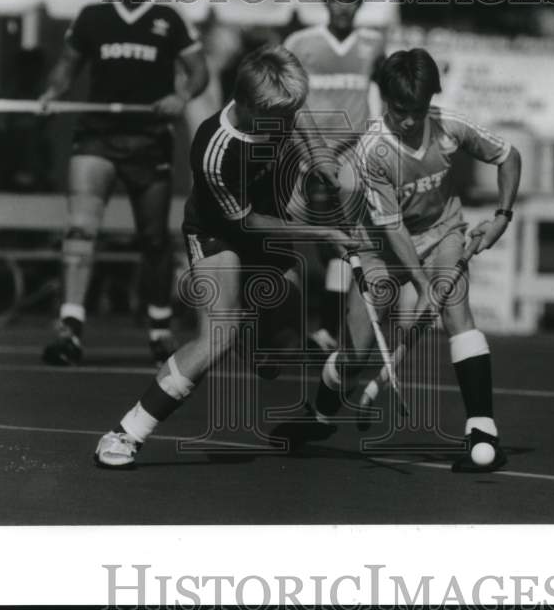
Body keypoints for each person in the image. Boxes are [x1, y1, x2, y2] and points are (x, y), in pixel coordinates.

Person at [93, 45, 358, 467]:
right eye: (279, 118)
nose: (287, 123)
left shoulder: (279, 108)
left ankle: (249, 333)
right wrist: (323, 230)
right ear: (250, 108)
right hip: (221, 233)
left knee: (278, 351)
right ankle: (126, 432)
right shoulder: (215, 150)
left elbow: (301, 116)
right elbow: (248, 225)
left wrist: (320, 156)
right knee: (217, 336)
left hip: (265, 224)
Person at [297, 48, 522, 473]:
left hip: (442, 233)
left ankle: (483, 431)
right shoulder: (372, 151)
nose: (408, 120)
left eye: (417, 110)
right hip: (380, 245)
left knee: (458, 314)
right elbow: (394, 228)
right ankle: (320, 415)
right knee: (356, 353)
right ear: (385, 101)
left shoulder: (450, 127)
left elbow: (508, 155)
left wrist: (501, 218)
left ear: (430, 101)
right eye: (400, 110)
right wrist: (421, 285)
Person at [39, 0, 208, 366]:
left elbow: (199, 71)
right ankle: (70, 327)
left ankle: (159, 327)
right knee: (80, 229)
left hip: (148, 140)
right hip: (96, 137)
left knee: (153, 240)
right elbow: (66, 67)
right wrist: (52, 92)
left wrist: (181, 96)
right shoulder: (93, 17)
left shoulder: (168, 19)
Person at [283, 0, 386, 351]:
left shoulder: (371, 44)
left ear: (360, 3)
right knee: (284, 240)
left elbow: (389, 93)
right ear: (326, 0)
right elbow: (281, 96)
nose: (345, 7)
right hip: (301, 155)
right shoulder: (301, 42)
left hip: (350, 159)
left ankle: (327, 328)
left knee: (344, 244)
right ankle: (278, 324)